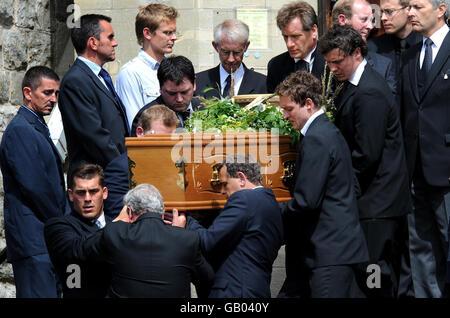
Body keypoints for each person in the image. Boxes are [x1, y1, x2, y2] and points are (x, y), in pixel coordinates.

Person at [319, 25, 411, 297]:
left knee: (375, 272)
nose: (333, 68)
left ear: (357, 53)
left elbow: (366, 154)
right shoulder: (355, 85)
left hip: (377, 203)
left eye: (338, 62)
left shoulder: (369, 91)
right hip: (373, 199)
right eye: (329, 63)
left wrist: (338, 184)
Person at [275, 71, 368, 298]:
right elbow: (353, 187)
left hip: (329, 254)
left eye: (289, 109)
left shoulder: (317, 138)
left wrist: (269, 207)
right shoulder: (328, 132)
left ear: (308, 104)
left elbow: (307, 201)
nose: (284, 116)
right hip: (333, 250)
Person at [171, 154, 284, 298]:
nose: (222, 191)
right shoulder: (271, 203)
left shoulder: (244, 199)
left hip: (235, 293)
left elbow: (208, 241)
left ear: (241, 178)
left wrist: (187, 221)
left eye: (225, 184)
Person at [0, 66, 70, 298]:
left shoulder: (35, 126)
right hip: (33, 241)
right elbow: (35, 188)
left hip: (42, 241)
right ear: (28, 93)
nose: (53, 99)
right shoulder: (21, 130)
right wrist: (62, 225)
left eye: (56, 94)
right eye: (47, 93)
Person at [77, 183, 214, 298]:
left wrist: (118, 220)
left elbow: (83, 249)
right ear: (162, 212)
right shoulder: (187, 239)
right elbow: (208, 279)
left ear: (129, 212)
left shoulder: (115, 232)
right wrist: (179, 232)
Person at [401, 0, 450, 298]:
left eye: (417, 6)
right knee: (420, 248)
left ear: (441, 9)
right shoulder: (410, 53)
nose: (410, 13)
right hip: (414, 171)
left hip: (446, 172)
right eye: (409, 7)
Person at [58, 14, 129, 218]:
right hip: (96, 181)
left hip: (111, 178)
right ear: (93, 43)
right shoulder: (76, 81)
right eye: (110, 37)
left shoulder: (98, 77)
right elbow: (94, 135)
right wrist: (123, 168)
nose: (115, 42)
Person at [44, 164, 112, 298]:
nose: (87, 199)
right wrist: (121, 229)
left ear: (104, 193)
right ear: (71, 195)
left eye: (93, 191)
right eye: (81, 192)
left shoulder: (117, 225)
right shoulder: (59, 226)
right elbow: (78, 250)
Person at [116, 4, 178, 129]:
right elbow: (135, 124)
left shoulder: (173, 68)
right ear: (147, 33)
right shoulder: (131, 73)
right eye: (167, 32)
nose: (174, 37)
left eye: (174, 32)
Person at [332, 0, 397, 94]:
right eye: (364, 19)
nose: (370, 26)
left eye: (371, 20)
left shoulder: (383, 66)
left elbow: (390, 106)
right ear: (342, 20)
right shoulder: (319, 62)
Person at [194, 19, 267, 99]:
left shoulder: (263, 84)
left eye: (237, 52)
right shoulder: (198, 82)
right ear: (215, 46)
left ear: (246, 46)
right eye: (225, 52)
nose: (231, 59)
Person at [130, 55, 201, 136]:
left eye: (184, 92)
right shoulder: (147, 115)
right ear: (160, 88)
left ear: (194, 84)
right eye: (172, 93)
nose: (179, 99)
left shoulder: (206, 108)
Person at [266, 1, 326, 93]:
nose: (289, 44)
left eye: (295, 36)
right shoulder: (276, 66)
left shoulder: (331, 63)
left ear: (314, 31)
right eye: (285, 37)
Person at [368, 0, 422, 77]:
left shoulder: (426, 44)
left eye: (389, 11)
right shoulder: (372, 47)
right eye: (381, 12)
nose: (383, 18)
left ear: (408, 10)